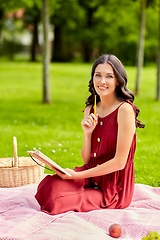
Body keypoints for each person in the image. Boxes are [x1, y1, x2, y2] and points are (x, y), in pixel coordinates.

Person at [35, 54, 145, 215]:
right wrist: (87, 134)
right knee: (48, 185)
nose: (102, 81)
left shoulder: (125, 110)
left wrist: (77, 176)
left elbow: (119, 163)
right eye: (98, 75)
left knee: (56, 200)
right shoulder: (90, 109)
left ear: (118, 80)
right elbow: (87, 159)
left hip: (115, 186)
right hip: (92, 175)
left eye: (109, 76)